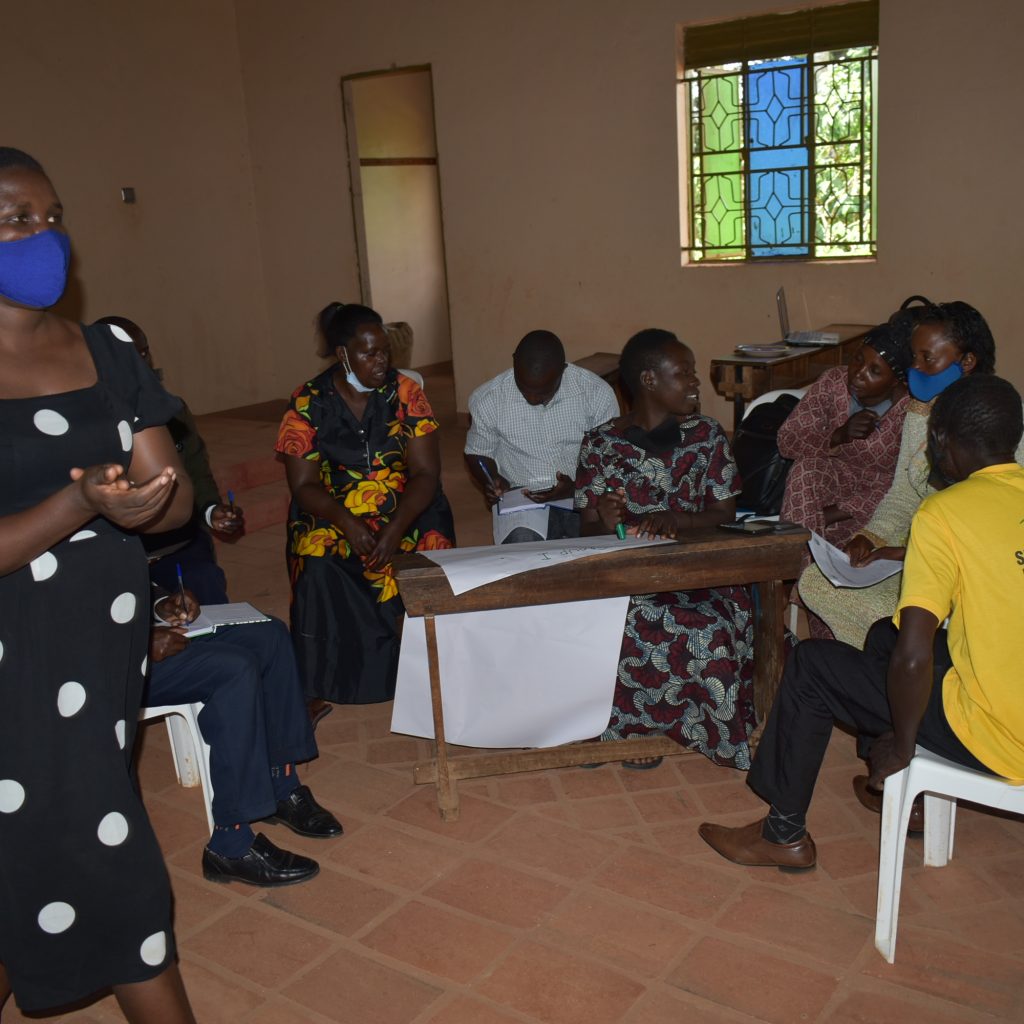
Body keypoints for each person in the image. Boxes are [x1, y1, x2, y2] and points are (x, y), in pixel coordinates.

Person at [0, 148, 196, 1020]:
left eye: (52, 217)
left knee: (39, 851)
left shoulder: (108, 349)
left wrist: (145, 501)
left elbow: (171, 495)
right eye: (16, 219)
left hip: (100, 654)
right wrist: (79, 502)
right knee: (111, 867)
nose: (44, 237)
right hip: (15, 661)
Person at [699, 374, 1024, 871]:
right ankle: (886, 778)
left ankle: (783, 832)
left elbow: (914, 658)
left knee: (812, 665)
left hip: (1001, 736)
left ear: (941, 439)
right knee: (882, 635)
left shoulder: (944, 513)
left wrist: (905, 746)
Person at [575, 328, 756, 769]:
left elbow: (725, 512)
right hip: (628, 574)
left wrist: (678, 520)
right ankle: (622, 728)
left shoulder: (706, 436)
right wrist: (606, 520)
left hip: (700, 573)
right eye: (685, 373)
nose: (695, 383)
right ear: (649, 380)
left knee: (703, 630)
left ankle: (669, 728)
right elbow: (587, 527)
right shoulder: (600, 444)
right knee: (610, 621)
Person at [798, 300, 1024, 646]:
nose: (915, 368)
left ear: (967, 362)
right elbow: (905, 492)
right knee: (817, 583)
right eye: (913, 357)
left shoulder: (999, 415)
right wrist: (871, 537)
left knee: (889, 618)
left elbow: (999, 528)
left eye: (927, 358)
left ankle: (908, 661)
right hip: (920, 556)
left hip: (979, 570)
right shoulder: (921, 411)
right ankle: (885, 663)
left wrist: (907, 553)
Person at [276, 302, 455, 719]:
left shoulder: (406, 393)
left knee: (428, 549)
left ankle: (435, 667)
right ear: (343, 354)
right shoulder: (308, 401)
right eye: (369, 353)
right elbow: (303, 485)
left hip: (406, 505)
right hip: (336, 509)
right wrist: (347, 522)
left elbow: (426, 473)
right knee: (315, 559)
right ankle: (316, 684)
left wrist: (396, 527)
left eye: (385, 351)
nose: (381, 361)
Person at [148, 589, 342, 886]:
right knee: (234, 669)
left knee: (270, 634)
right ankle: (230, 844)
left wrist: (161, 606)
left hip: (138, 632)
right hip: (102, 664)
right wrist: (136, 645)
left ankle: (281, 785)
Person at [97, 314, 243, 605]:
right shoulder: (87, 423)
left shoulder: (171, 410)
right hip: (122, 549)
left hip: (178, 541)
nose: (141, 363)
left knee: (204, 583)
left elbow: (196, 471)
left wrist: (211, 510)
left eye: (144, 352)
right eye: (129, 355)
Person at [465, 330, 619, 542]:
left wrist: (575, 488)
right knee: (523, 547)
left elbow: (611, 460)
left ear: (563, 370)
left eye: (543, 392)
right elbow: (478, 452)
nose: (532, 398)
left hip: (583, 495)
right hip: (522, 501)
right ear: (514, 362)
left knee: (594, 549)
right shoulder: (489, 398)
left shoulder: (595, 394)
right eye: (524, 389)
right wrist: (492, 479)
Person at [778, 321, 910, 561]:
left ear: (896, 381)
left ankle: (807, 575)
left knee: (850, 555)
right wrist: (838, 435)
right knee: (805, 469)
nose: (858, 373)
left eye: (875, 371)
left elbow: (908, 486)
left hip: (876, 509)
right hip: (823, 491)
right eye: (857, 359)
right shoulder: (834, 382)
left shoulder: (911, 410)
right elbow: (787, 441)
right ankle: (798, 571)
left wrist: (833, 513)